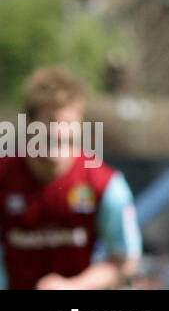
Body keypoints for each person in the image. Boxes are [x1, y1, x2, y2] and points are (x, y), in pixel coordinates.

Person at [0, 67, 142, 290]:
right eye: (49, 123)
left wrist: (74, 287)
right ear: (29, 123)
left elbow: (125, 260)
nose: (58, 134)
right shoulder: (4, 177)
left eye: (66, 124)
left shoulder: (105, 185)